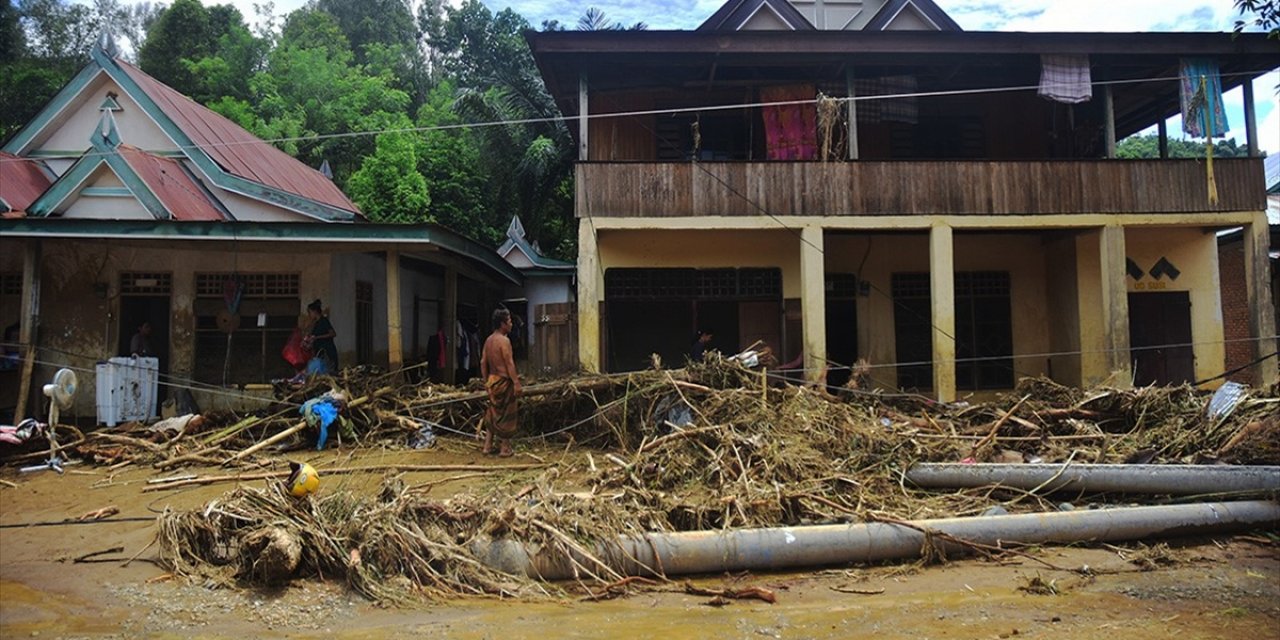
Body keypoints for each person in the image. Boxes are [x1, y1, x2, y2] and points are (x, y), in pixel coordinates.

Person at [480, 307, 521, 458]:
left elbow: (483, 362)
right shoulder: (504, 341)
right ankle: (505, 448)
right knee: (507, 414)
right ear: (503, 324)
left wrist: (486, 382)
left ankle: (487, 446)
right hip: (504, 381)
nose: (511, 324)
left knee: (492, 413)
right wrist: (516, 383)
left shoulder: (489, 340)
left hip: (492, 381)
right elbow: (509, 363)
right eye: (509, 321)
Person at [303, 300, 338, 375]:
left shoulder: (324, 321)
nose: (309, 315)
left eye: (310, 312)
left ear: (315, 312)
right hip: (319, 353)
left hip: (327, 352)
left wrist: (317, 337)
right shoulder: (316, 323)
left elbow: (332, 334)